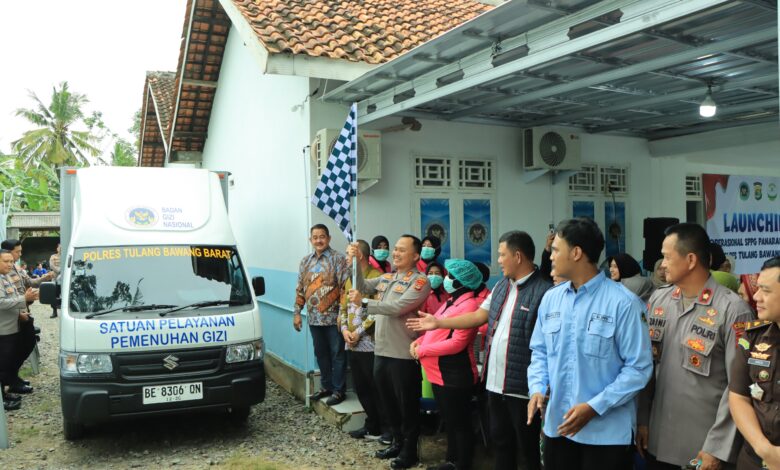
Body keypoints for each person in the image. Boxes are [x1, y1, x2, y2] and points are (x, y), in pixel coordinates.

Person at [409, 230, 552, 470]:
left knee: (527, 450)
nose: (498, 260)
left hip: (522, 388)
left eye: (502, 255)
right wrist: (438, 322)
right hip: (494, 384)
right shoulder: (501, 287)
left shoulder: (544, 291)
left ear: (517, 256)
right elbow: (477, 317)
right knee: (501, 443)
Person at [527, 218, 653, 470]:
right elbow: (540, 351)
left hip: (605, 435)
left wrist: (594, 407)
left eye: (556, 250)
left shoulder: (624, 303)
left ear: (576, 253)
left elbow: (639, 368)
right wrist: (537, 388)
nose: (550, 256)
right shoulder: (551, 299)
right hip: (558, 427)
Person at [637, 223, 755, 470]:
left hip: (703, 448)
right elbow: (647, 366)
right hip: (657, 441)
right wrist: (643, 420)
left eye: (667, 257)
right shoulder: (659, 299)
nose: (662, 265)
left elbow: (739, 386)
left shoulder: (732, 310)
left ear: (690, 260)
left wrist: (717, 447)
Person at [348, 235, 431, 469]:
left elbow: (398, 307)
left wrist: (365, 303)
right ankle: (397, 442)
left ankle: (410, 451)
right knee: (388, 402)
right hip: (381, 351)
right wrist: (357, 262)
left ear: (415, 255)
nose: (395, 253)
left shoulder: (420, 281)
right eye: (395, 249)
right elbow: (361, 286)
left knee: (407, 405)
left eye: (402, 250)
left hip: (402, 354)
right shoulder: (387, 278)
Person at [411, 259, 483, 470]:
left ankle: (462, 464)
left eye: (450, 276)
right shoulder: (452, 301)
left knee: (460, 423)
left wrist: (423, 350)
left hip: (454, 373)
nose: (446, 279)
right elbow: (435, 328)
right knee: (451, 421)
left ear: (460, 281)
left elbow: (457, 343)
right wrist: (419, 341)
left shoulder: (469, 305)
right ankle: (452, 461)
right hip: (439, 373)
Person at [729, 256, 780, 470]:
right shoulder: (752, 336)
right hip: (755, 460)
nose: (756, 297)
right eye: (757, 288)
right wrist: (765, 450)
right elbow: (738, 396)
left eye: (766, 291)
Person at [293, 224, 351, 406]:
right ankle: (326, 386)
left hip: (334, 319)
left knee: (337, 355)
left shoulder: (338, 259)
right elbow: (300, 289)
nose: (319, 240)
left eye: (322, 236)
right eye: (315, 237)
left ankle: (339, 390)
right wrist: (297, 313)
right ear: (310, 240)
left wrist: (342, 315)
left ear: (329, 238)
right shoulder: (305, 262)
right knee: (321, 354)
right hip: (314, 319)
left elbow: (345, 289)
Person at [338, 239, 384, 440]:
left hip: (370, 343)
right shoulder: (350, 279)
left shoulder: (377, 278)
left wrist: (359, 332)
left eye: (349, 255)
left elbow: (378, 310)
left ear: (359, 256)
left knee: (376, 386)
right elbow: (343, 309)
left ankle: (386, 427)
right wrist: (344, 331)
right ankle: (371, 424)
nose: (346, 259)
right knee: (361, 387)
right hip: (351, 343)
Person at [1, 239, 52, 394]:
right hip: (10, 320)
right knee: (9, 355)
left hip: (21, 313)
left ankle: (12, 379)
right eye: (17, 252)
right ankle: (9, 382)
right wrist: (24, 301)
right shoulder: (4, 273)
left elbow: (28, 283)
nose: (19, 255)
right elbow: (4, 301)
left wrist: (45, 278)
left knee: (23, 346)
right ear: (7, 252)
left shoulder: (12, 270)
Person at [0, 250, 37, 410]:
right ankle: (2, 400)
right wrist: (24, 299)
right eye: (6, 261)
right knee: (2, 364)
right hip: (3, 330)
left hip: (12, 327)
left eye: (11, 261)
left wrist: (20, 312)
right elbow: (1, 302)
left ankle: (6, 390)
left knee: (8, 362)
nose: (10, 264)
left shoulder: (5, 276)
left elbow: (10, 298)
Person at [49, 243, 61, 318]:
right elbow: (51, 265)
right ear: (57, 248)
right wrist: (59, 271)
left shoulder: (66, 255)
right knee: (53, 295)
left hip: (64, 279)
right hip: (55, 278)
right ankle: (54, 311)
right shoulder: (53, 256)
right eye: (59, 247)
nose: (61, 249)